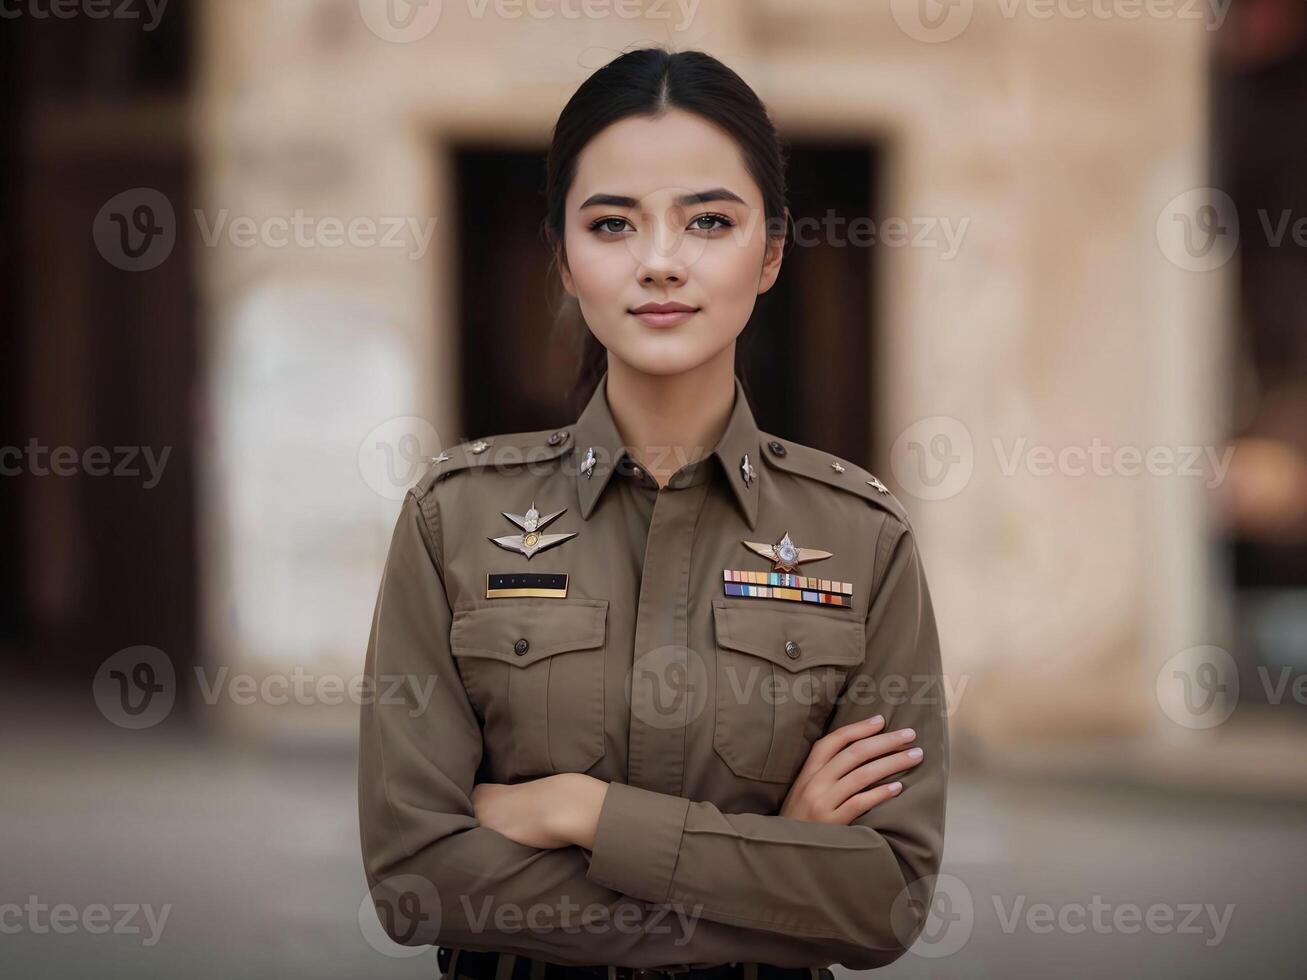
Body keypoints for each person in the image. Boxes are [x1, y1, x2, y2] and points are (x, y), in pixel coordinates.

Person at [358, 45, 948, 980]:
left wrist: (581, 814)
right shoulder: (453, 519)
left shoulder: (862, 540)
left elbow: (885, 901)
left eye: (709, 220)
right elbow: (416, 883)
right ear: (563, 258)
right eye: (613, 224)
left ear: (771, 255)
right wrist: (779, 867)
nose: (661, 263)